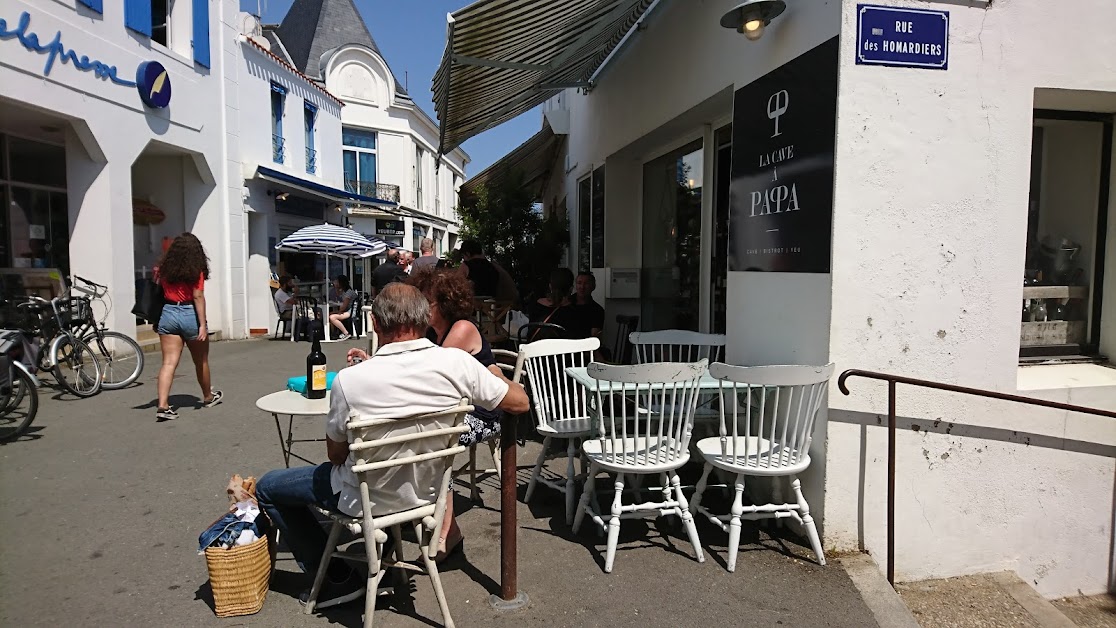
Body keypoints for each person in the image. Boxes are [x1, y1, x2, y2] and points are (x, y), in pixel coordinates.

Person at [256, 284, 529, 609]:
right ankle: (372, 557)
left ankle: (335, 578)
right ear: (425, 318)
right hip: (427, 495)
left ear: (374, 323)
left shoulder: (350, 380)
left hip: (368, 499)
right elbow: (521, 402)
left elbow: (336, 455)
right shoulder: (458, 364)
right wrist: (494, 373)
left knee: (267, 488)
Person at [407, 268, 502, 556]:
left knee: (434, 441)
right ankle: (416, 507)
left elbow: (427, 373)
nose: (422, 310)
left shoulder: (461, 329)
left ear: (446, 303)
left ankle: (449, 530)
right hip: (453, 412)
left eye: (428, 303)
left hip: (484, 414)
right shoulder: (434, 333)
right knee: (414, 435)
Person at [153, 233, 223, 420]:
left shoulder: (164, 269)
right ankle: (208, 397)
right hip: (189, 313)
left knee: (168, 362)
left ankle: (162, 405)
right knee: (201, 361)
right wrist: (202, 325)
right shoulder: (195, 271)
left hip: (168, 313)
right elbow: (198, 296)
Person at [568, 271, 605, 340]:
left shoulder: (597, 310)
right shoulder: (566, 304)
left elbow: (594, 336)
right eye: (579, 283)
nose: (582, 287)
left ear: (593, 286)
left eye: (586, 284)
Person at [327, 275, 357, 341]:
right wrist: (336, 288)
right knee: (329, 314)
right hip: (347, 310)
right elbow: (338, 297)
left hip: (350, 311)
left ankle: (346, 333)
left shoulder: (348, 293)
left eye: (337, 282)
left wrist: (338, 311)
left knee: (332, 317)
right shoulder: (344, 291)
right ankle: (334, 333)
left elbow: (343, 307)